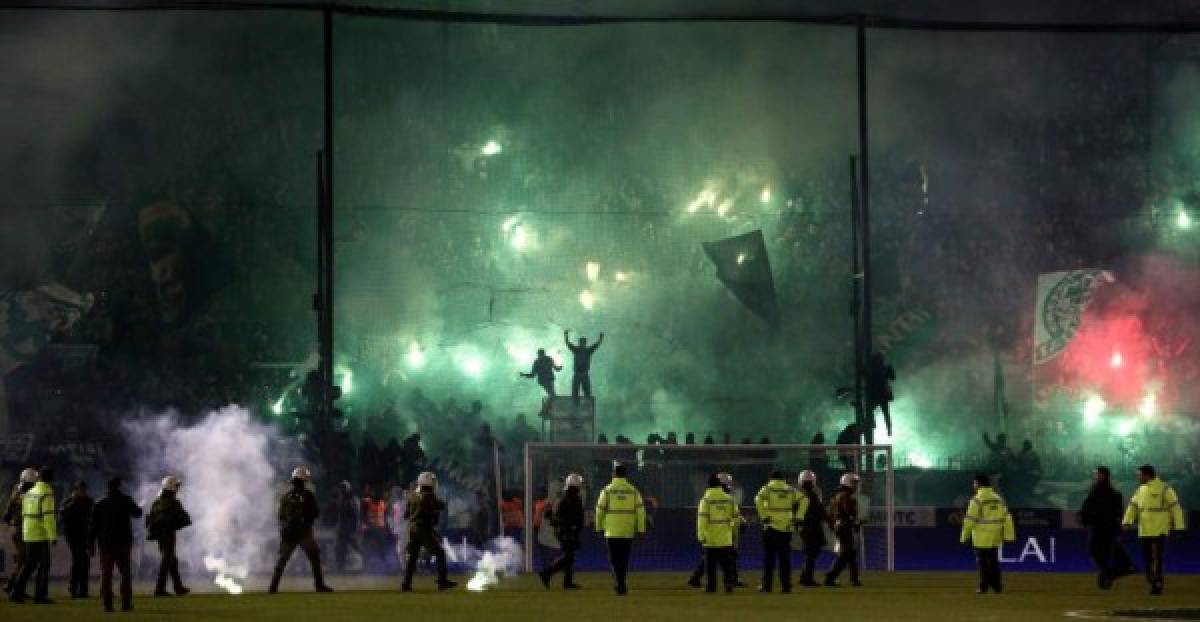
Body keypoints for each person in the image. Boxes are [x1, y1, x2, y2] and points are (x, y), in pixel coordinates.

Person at [1122, 464, 1186, 595]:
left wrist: (1179, 526)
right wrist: (1127, 522)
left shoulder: (1165, 488)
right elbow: (1133, 506)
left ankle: (1157, 583)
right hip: (1145, 530)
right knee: (1148, 558)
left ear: (1147, 475)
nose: (1138, 477)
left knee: (1157, 557)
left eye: (1139, 475)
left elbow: (1175, 508)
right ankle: (1152, 580)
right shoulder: (1140, 490)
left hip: (1160, 529)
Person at [268, 467, 333, 594]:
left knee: (282, 561)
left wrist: (286, 527)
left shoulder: (286, 496)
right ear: (304, 481)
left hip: (289, 533)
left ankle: (272, 588)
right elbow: (315, 513)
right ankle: (319, 585)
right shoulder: (308, 495)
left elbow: (280, 516)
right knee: (314, 558)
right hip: (304, 533)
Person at [90, 477, 143, 613]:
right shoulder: (126, 500)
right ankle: (126, 604)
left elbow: (93, 526)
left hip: (105, 544)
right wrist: (141, 505)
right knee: (125, 573)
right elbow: (138, 513)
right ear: (119, 486)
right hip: (123, 543)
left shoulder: (100, 503)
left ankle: (108, 605)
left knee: (106, 574)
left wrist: (90, 544)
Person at [1080, 466, 1136, 589]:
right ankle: (1110, 573)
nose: (1095, 476)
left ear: (1103, 475)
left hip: (1103, 527)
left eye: (1097, 474)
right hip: (1106, 527)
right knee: (1101, 551)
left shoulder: (1102, 492)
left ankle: (1109, 573)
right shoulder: (1105, 492)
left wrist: (1086, 518)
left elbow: (1091, 508)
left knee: (1096, 551)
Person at [960, 474, 1015, 594]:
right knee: (994, 562)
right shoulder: (998, 499)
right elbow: (1007, 517)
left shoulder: (976, 500)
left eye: (974, 483)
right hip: (995, 536)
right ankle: (997, 586)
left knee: (983, 563)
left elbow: (970, 520)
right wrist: (1009, 535)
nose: (973, 485)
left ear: (978, 484)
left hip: (981, 537)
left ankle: (983, 586)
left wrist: (964, 536)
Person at [595, 463, 645, 595]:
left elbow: (599, 510)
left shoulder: (607, 490)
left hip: (611, 531)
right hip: (627, 531)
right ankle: (621, 583)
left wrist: (598, 527)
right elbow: (640, 511)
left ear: (613, 474)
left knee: (614, 559)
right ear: (625, 475)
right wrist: (641, 529)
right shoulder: (633, 490)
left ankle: (619, 583)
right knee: (624, 559)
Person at [401, 471, 456, 591]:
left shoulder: (411, 495)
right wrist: (444, 502)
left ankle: (406, 583)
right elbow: (439, 506)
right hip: (424, 528)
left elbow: (406, 515)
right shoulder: (429, 495)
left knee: (413, 556)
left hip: (412, 528)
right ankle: (442, 581)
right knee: (440, 553)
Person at [9, 467, 56, 604]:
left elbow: (24, 511)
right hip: (40, 533)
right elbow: (48, 516)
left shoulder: (31, 491)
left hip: (28, 531)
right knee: (44, 565)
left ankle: (15, 592)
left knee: (29, 564)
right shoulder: (46, 492)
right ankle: (40, 596)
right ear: (51, 479)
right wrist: (52, 535)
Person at [688, 472, 743, 589]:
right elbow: (736, 516)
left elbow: (702, 519)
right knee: (727, 561)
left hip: (711, 537)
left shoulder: (705, 500)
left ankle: (709, 584)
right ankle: (730, 581)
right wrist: (734, 528)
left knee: (710, 562)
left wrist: (701, 535)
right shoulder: (728, 499)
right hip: (725, 536)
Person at [755, 470, 804, 593]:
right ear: (783, 479)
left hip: (770, 527)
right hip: (787, 527)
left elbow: (757, 499)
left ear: (771, 479)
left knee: (769, 558)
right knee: (785, 559)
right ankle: (786, 587)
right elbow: (805, 500)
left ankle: (767, 586)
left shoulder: (768, 488)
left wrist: (764, 516)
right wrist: (799, 516)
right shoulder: (790, 489)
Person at [146, 475, 192, 597]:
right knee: (167, 560)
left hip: (160, 534)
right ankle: (159, 589)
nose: (178, 488)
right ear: (171, 487)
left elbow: (150, 519)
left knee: (172, 560)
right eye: (176, 486)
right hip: (168, 534)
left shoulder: (156, 502)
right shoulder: (173, 502)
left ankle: (178, 587)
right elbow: (184, 519)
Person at [539, 473, 584, 590]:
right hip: (567, 531)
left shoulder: (565, 499)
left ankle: (567, 582)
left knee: (570, 556)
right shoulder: (572, 500)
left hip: (564, 531)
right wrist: (573, 530)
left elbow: (558, 518)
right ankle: (547, 573)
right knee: (568, 557)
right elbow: (575, 519)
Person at [823, 473, 863, 587]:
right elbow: (848, 512)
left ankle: (854, 579)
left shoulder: (838, 495)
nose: (856, 485)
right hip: (844, 526)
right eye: (854, 483)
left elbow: (830, 513)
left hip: (841, 526)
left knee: (850, 553)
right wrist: (855, 521)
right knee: (846, 554)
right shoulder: (845, 496)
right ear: (847, 483)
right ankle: (830, 578)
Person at [3, 469, 38, 596]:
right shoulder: (29, 492)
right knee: (25, 560)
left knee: (22, 560)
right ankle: (14, 586)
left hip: (17, 528)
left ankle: (14, 585)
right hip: (24, 529)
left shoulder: (16, 491)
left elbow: (8, 512)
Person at [60, 480, 94, 599]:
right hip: (73, 536)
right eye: (81, 490)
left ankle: (82, 590)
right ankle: (75, 588)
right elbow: (63, 514)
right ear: (75, 490)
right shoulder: (69, 501)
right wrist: (73, 501)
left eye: (84, 490)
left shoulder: (89, 501)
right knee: (79, 560)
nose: (83, 492)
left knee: (84, 561)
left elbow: (92, 518)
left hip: (84, 535)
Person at [796, 470, 830, 587]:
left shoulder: (799, 496)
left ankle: (804, 577)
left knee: (810, 553)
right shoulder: (814, 496)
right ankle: (807, 579)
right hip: (813, 528)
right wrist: (829, 521)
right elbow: (821, 512)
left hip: (804, 528)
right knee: (812, 554)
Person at [564, 329, 604, 402]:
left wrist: (600, 339)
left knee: (587, 390)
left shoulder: (588, 351)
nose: (582, 344)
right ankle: (575, 404)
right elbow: (568, 343)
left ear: (585, 343)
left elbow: (596, 345)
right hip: (577, 373)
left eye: (583, 342)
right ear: (579, 343)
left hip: (584, 373)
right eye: (581, 342)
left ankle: (587, 403)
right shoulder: (576, 350)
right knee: (575, 391)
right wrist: (566, 335)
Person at [865, 352, 896, 439]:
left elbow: (892, 377)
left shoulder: (874, 369)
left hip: (877, 394)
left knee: (872, 410)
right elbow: (893, 377)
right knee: (884, 413)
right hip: (881, 394)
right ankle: (886, 428)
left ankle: (876, 424)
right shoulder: (882, 368)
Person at [333, 481, 361, 573]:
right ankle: (340, 568)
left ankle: (370, 563)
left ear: (348, 488)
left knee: (358, 547)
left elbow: (356, 516)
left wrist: (354, 530)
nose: (342, 489)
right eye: (341, 488)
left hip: (350, 529)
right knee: (339, 549)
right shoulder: (341, 499)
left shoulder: (352, 500)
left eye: (343, 488)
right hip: (341, 529)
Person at [361, 486, 390, 572]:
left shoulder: (382, 503)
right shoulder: (367, 502)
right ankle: (366, 567)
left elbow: (385, 516)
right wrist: (364, 525)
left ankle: (384, 567)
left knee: (382, 549)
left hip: (380, 528)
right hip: (370, 528)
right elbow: (362, 514)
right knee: (367, 548)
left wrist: (387, 528)